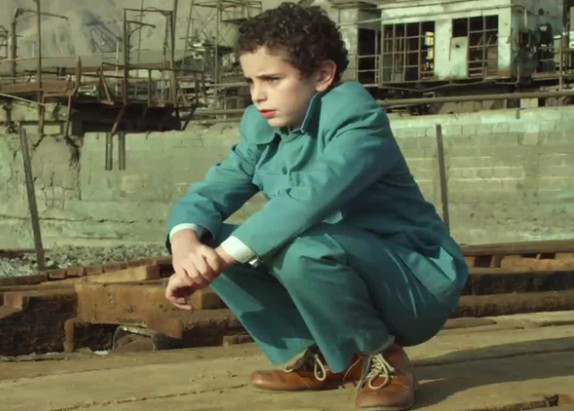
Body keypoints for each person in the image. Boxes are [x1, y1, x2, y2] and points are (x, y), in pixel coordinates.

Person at [163, 3, 468, 410]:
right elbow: (211, 192)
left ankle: (384, 359)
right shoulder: (262, 126)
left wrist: (218, 260)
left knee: (298, 247)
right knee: (211, 239)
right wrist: (186, 245)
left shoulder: (356, 118)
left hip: (413, 284)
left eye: (273, 79)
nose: (257, 95)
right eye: (251, 81)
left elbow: (308, 199)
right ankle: (329, 355)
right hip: (331, 260)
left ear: (322, 75)